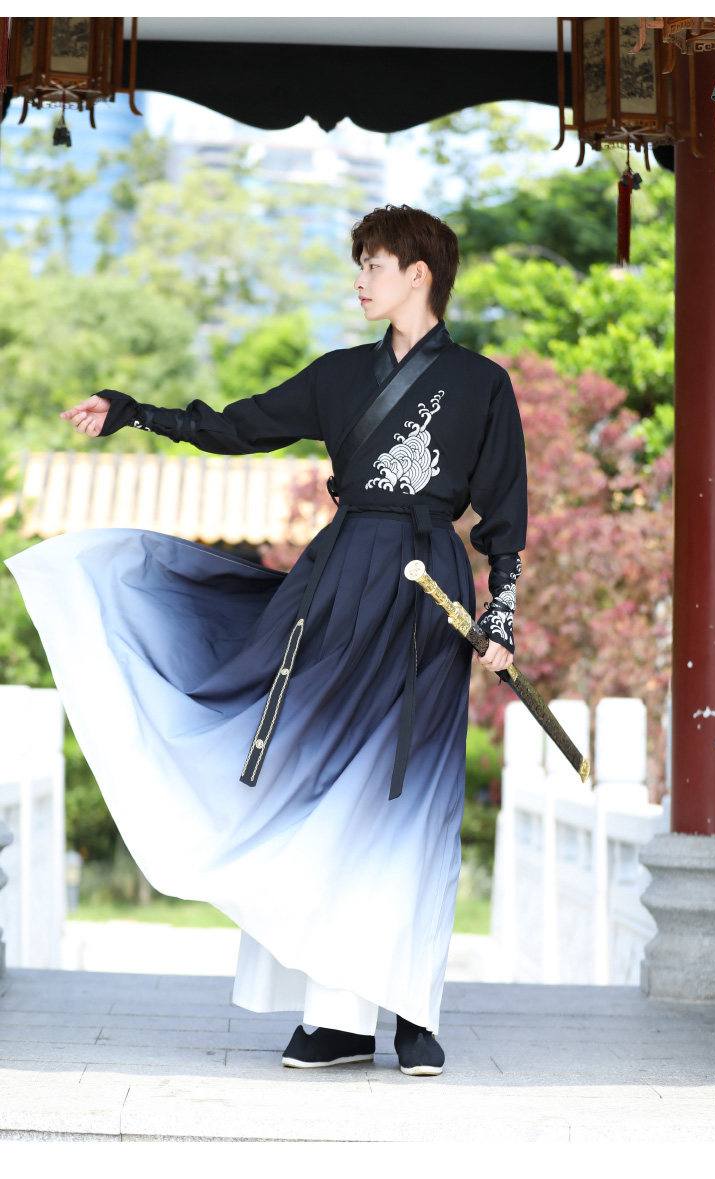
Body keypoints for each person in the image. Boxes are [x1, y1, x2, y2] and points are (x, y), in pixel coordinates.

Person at [6, 203, 527, 1077]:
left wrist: (501, 616)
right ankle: (337, 1018)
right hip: (339, 586)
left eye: (373, 265)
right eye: (359, 265)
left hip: (429, 600)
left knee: (412, 792)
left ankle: (412, 1011)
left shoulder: (482, 383)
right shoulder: (338, 375)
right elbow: (235, 426)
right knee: (317, 777)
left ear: (419, 275)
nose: (359, 281)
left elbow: (505, 514)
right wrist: (135, 412)